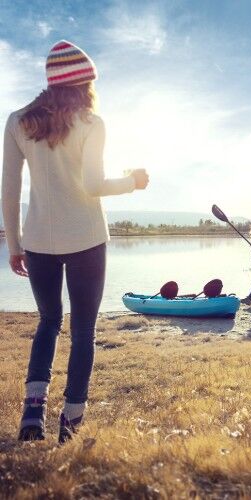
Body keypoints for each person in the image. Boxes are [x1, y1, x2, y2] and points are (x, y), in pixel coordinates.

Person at [1, 40, 149, 443]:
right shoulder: (92, 123)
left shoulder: (16, 122)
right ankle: (71, 423)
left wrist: (14, 245)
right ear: (84, 83)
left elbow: (9, 191)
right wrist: (133, 182)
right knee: (83, 330)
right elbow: (93, 185)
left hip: (37, 242)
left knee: (48, 322)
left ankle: (32, 416)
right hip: (86, 239)